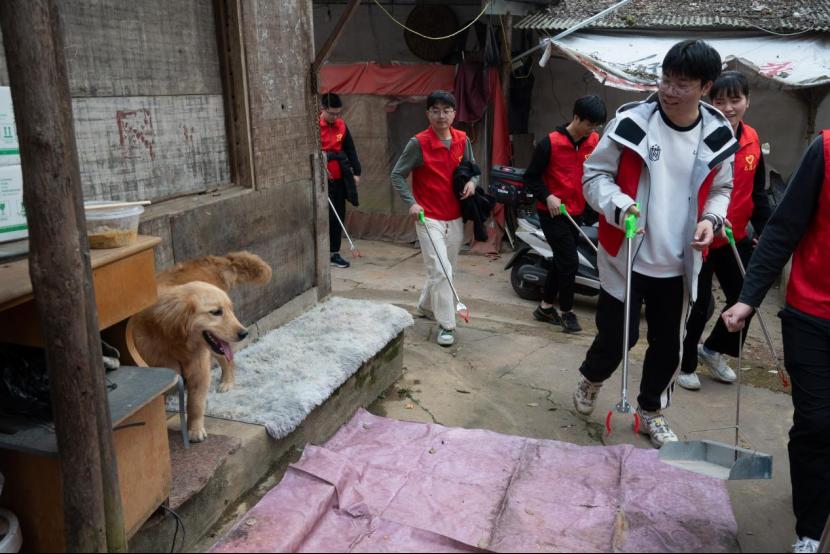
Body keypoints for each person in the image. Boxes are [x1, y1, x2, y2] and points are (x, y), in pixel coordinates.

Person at [572, 40, 739, 448]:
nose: (668, 90)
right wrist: (620, 205)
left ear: (705, 87)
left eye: (682, 84)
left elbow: (722, 189)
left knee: (668, 346)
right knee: (617, 338)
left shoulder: (718, 135)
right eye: (665, 80)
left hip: (679, 263)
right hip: (626, 255)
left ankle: (651, 411)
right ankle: (592, 378)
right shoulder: (631, 124)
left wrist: (711, 219)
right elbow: (594, 177)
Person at [723, 132, 830, 554]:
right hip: (812, 314)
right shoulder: (825, 151)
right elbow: (784, 227)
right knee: (817, 423)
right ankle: (810, 529)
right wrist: (748, 298)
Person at [678, 71, 772, 391]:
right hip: (701, 237)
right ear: (709, 102)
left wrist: (765, 230)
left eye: (735, 100)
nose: (729, 108)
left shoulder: (752, 139)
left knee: (747, 297)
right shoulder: (698, 138)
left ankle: (715, 349)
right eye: (720, 101)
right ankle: (685, 363)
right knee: (699, 303)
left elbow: (759, 192)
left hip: (735, 238)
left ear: (748, 101)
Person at [390, 90, 478, 347]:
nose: (441, 116)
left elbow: (474, 170)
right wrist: (412, 203)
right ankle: (447, 325)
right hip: (427, 217)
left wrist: (473, 183)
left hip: (455, 217)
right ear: (427, 113)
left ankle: (425, 306)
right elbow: (397, 174)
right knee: (441, 270)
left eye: (447, 110)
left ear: (454, 113)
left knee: (445, 268)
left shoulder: (462, 139)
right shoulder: (418, 143)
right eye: (436, 110)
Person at [523, 95, 607, 333]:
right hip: (552, 212)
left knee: (561, 260)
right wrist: (547, 195)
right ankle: (567, 312)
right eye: (589, 124)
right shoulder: (549, 143)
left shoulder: (594, 141)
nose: (593, 130)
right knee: (570, 262)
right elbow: (530, 178)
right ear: (576, 117)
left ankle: (545, 307)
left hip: (577, 212)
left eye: (596, 125)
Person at [320, 93, 361, 269]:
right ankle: (320, 252)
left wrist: (356, 172)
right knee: (326, 216)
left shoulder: (341, 126)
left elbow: (350, 149)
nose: (335, 117)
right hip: (321, 180)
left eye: (338, 113)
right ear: (323, 109)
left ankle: (334, 253)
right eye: (332, 113)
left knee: (338, 215)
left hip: (340, 179)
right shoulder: (314, 128)